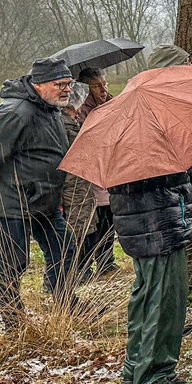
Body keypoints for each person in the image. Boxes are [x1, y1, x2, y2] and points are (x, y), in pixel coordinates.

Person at [0, 56, 77, 329]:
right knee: (14, 261)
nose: (67, 90)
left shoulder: (50, 109)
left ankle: (63, 302)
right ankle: (13, 321)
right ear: (38, 85)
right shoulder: (17, 112)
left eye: (69, 84)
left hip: (44, 201)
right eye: (60, 84)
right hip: (13, 202)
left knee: (64, 248)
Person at [112, 42, 192, 384]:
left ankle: (134, 367)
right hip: (155, 223)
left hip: (142, 222)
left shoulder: (130, 105)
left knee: (146, 295)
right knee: (165, 299)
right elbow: (152, 170)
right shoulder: (152, 111)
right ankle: (154, 375)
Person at [76, 67, 116, 278]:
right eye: (97, 86)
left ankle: (106, 261)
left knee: (109, 218)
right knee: (93, 222)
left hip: (110, 168)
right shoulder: (81, 109)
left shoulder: (112, 102)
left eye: (104, 84)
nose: (103, 89)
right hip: (90, 173)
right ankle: (86, 266)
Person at [60, 82, 98, 276]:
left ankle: (82, 271)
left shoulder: (72, 123)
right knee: (73, 235)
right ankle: (72, 275)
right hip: (71, 191)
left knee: (84, 231)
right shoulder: (64, 126)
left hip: (81, 189)